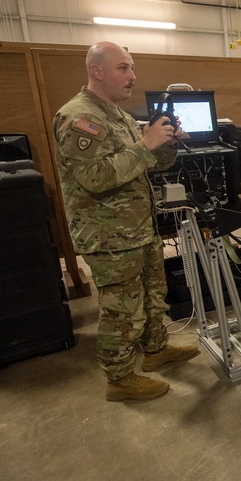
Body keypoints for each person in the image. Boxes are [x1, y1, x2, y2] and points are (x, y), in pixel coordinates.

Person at [53, 41, 199, 402]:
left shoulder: (116, 114)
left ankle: (155, 350)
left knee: (152, 296)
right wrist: (144, 144)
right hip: (108, 236)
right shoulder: (77, 118)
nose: (132, 76)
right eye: (123, 68)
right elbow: (95, 178)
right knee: (121, 309)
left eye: (132, 67)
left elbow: (152, 163)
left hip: (137, 228)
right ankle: (118, 379)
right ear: (97, 70)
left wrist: (165, 141)